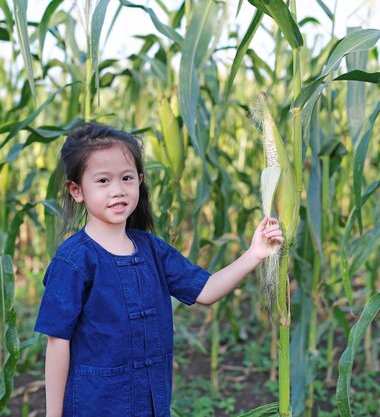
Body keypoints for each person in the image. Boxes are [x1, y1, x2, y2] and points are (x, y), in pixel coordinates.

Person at [34, 122, 283, 417]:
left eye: (126, 178)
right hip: (95, 406)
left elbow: (205, 290)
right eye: (103, 181)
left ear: (139, 180)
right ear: (77, 190)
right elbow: (57, 341)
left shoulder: (153, 249)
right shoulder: (74, 261)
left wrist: (254, 254)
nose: (117, 190)